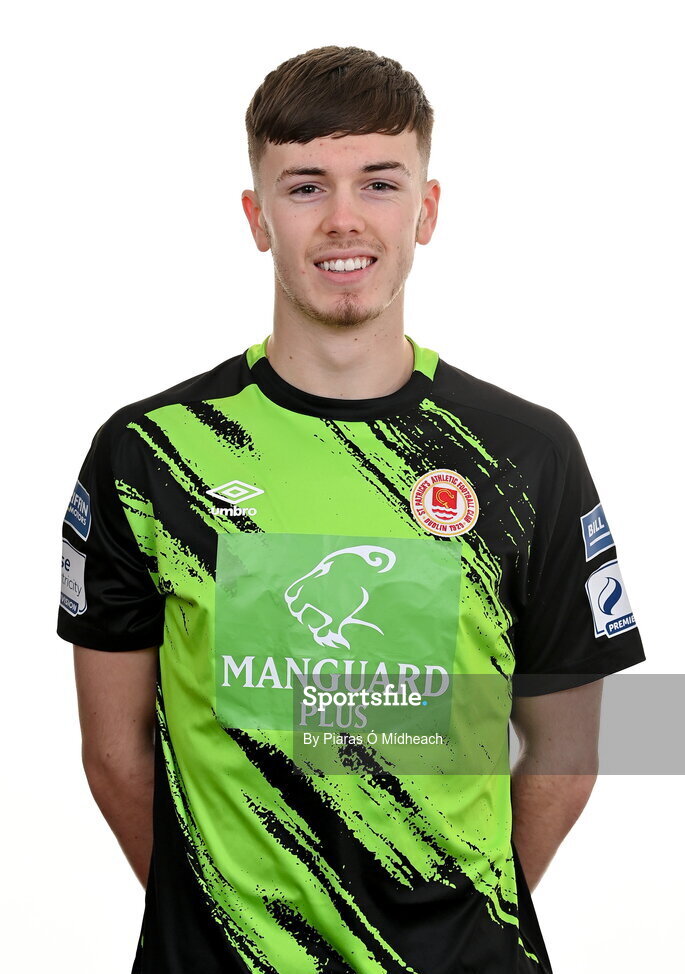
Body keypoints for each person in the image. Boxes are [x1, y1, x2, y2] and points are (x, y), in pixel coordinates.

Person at [57, 45, 646, 974]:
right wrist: (226, 925)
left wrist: (456, 930)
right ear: (257, 217)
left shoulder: (527, 457)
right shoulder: (150, 454)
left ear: (427, 209)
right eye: (303, 187)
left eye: (378, 183)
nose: (342, 220)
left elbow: (566, 755)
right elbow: (113, 756)